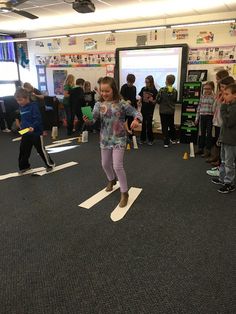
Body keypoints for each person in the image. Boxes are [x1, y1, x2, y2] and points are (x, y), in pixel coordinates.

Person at [83, 77, 142, 207]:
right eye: (102, 91)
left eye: (107, 91)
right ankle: (111, 179)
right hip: (104, 139)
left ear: (113, 90)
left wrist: (136, 120)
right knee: (105, 164)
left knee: (117, 166)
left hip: (119, 139)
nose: (104, 94)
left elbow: (137, 113)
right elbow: (93, 120)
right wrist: (87, 120)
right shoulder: (98, 104)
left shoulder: (122, 103)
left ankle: (124, 192)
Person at [14, 88, 55, 173]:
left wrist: (32, 127)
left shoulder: (34, 106)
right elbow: (22, 118)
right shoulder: (21, 107)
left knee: (40, 149)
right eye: (17, 100)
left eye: (20, 100)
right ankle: (24, 167)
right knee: (24, 150)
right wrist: (21, 126)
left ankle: (50, 164)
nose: (19, 102)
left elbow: (38, 119)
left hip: (35, 132)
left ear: (26, 98)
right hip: (25, 132)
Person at [211, 83, 236, 193]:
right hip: (225, 139)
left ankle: (229, 183)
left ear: (234, 95)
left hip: (232, 141)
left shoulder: (233, 108)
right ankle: (222, 178)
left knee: (229, 163)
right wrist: (220, 138)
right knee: (223, 161)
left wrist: (223, 107)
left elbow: (228, 122)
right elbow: (224, 127)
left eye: (227, 94)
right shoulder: (229, 106)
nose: (224, 96)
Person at [156, 74, 178, 147]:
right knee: (171, 125)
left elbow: (158, 100)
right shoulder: (175, 91)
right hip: (171, 111)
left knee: (164, 126)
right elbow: (175, 100)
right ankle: (174, 139)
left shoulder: (162, 90)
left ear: (167, 81)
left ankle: (166, 142)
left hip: (163, 111)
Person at [195, 81, 215, 157]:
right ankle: (200, 148)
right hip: (202, 116)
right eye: (205, 89)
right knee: (202, 133)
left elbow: (215, 109)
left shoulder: (214, 97)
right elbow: (199, 108)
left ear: (212, 88)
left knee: (209, 134)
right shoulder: (202, 96)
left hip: (210, 117)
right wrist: (197, 118)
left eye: (208, 89)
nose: (206, 90)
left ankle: (208, 150)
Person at [138, 75, 158, 145]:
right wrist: (139, 101)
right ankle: (142, 139)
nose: (146, 83)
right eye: (145, 82)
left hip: (150, 109)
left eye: (148, 82)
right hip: (143, 108)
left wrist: (152, 100)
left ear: (151, 82)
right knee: (143, 124)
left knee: (149, 124)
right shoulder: (143, 88)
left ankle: (150, 139)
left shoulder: (154, 91)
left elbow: (156, 101)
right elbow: (141, 97)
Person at [120, 74, 137, 143]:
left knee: (130, 122)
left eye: (132, 83)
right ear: (127, 81)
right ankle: (122, 137)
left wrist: (132, 103)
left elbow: (134, 97)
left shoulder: (134, 88)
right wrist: (126, 100)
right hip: (124, 107)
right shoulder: (124, 87)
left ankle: (130, 137)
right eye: (129, 82)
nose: (130, 84)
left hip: (131, 108)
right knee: (123, 122)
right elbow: (121, 96)